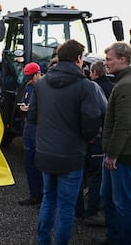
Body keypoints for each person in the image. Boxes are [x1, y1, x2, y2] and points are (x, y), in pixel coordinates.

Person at [27, 39, 102, 244]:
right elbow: (91, 121)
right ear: (79, 58)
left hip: (45, 154)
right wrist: (87, 137)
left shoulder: (41, 84)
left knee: (48, 199)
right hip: (71, 156)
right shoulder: (85, 86)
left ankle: (43, 241)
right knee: (66, 206)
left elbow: (32, 117)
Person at [93, 42, 131, 245]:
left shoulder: (125, 85)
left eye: (109, 59)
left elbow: (124, 124)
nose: (105, 63)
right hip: (114, 155)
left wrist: (113, 155)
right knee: (107, 197)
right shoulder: (121, 82)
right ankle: (114, 236)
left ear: (122, 59)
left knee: (121, 202)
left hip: (121, 157)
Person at [76, 59, 112, 226]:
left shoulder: (46, 85)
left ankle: (78, 210)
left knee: (78, 174)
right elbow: (105, 111)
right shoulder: (98, 87)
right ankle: (92, 211)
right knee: (95, 175)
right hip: (95, 138)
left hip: (75, 140)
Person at [18, 62, 43, 206]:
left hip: (39, 127)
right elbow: (24, 100)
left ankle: (44, 196)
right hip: (28, 125)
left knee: (40, 162)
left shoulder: (44, 88)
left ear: (38, 74)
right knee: (29, 161)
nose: (28, 80)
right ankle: (34, 194)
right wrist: (23, 107)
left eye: (31, 77)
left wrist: (32, 109)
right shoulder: (28, 86)